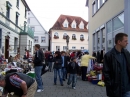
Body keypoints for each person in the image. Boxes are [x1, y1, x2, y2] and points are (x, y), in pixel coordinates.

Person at [103, 33, 130, 97]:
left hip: (127, 89)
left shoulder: (126, 53)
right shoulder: (109, 55)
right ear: (119, 42)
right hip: (115, 90)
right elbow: (106, 73)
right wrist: (111, 85)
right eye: (125, 41)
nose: (127, 43)